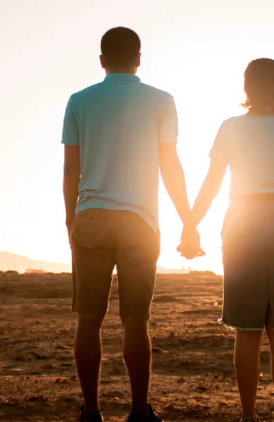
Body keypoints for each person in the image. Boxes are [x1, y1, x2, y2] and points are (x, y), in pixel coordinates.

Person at [62, 27, 196, 422]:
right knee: (136, 322)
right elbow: (170, 166)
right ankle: (139, 412)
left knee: (89, 320)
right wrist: (188, 221)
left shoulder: (79, 101)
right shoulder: (160, 101)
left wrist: (71, 219)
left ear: (101, 61)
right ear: (139, 59)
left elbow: (72, 170)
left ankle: (92, 411)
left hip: (91, 218)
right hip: (140, 222)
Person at [182, 58, 274, 422]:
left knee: (246, 331)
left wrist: (190, 224)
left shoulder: (230, 128)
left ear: (246, 88)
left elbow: (213, 183)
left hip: (242, 220)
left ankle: (248, 416)